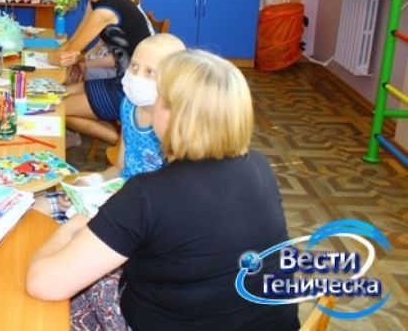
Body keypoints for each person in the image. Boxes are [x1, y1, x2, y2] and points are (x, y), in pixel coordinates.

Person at [27, 50, 300, 330]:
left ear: (172, 115)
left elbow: (43, 283)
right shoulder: (259, 167)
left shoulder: (148, 194)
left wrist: (70, 229)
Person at [34, 33, 185, 222]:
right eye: (134, 66)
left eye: (149, 72)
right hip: (116, 193)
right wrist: (90, 183)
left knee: (73, 228)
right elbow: (120, 167)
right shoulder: (129, 106)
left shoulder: (175, 128)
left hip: (145, 211)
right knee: (37, 206)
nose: (137, 76)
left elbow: (171, 200)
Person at [49, 0, 152, 144]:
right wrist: (76, 57)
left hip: (132, 91)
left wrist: (58, 56)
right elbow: (74, 43)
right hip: (122, 80)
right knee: (53, 96)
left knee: (53, 108)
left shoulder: (105, 10)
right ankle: (121, 141)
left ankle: (124, 145)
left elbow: (65, 54)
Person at [85, 0, 154, 81]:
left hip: (121, 73)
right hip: (103, 61)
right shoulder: (114, 11)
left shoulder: (133, 20)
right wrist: (85, 58)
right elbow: (100, 44)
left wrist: (85, 65)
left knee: (75, 75)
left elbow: (116, 59)